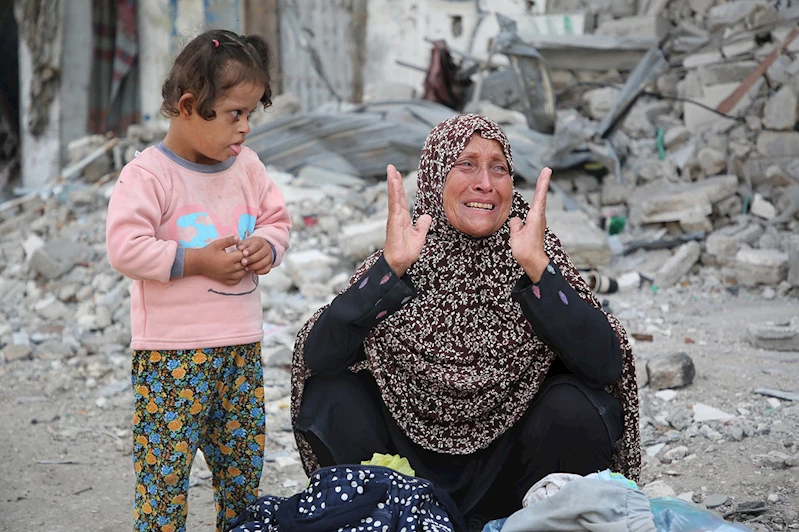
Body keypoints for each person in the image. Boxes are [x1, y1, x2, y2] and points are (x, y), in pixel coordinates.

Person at [290, 114, 640, 524]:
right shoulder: (406, 252)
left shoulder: (531, 253)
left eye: (499, 168)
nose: (485, 184)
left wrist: (537, 271)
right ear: (435, 176)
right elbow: (319, 356)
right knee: (331, 396)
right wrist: (388, 270)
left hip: (516, 484)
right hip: (406, 481)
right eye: (466, 164)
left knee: (578, 407)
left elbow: (605, 364)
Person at [106, 29, 291, 532]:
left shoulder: (247, 167)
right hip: (171, 360)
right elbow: (125, 248)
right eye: (235, 114)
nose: (245, 128)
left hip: (239, 352)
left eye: (251, 114)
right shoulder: (148, 175)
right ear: (189, 106)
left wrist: (267, 246)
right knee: (163, 484)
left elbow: (277, 220)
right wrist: (197, 262)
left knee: (242, 479)